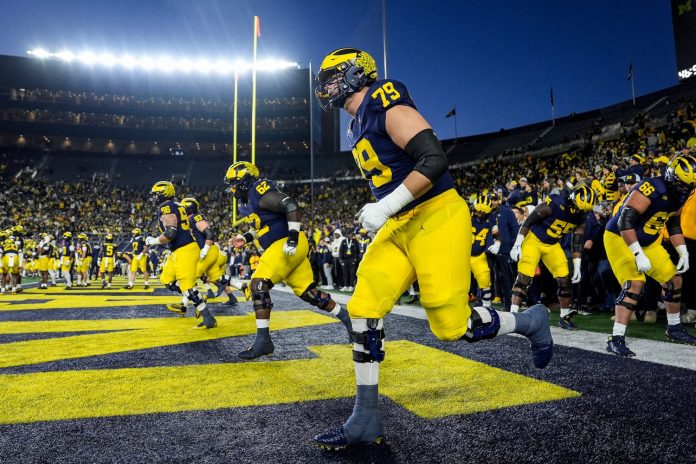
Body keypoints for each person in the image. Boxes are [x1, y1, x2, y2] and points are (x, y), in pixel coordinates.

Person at [312, 48, 553, 450]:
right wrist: (388, 209)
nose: (327, 86)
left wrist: (385, 205)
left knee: (450, 326)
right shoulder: (355, 126)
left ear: (358, 74)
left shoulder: (383, 98)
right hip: (401, 222)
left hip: (436, 214)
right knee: (363, 308)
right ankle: (365, 418)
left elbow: (433, 158)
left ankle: (530, 322)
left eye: (334, 76)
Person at [224, 161, 353, 359]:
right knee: (309, 293)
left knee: (258, 284)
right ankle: (349, 321)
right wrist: (245, 238)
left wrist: (292, 238)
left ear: (244, 180)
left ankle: (263, 341)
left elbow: (289, 204)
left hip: (287, 244)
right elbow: (262, 227)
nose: (231, 189)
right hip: (287, 245)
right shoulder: (249, 200)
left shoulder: (258, 190)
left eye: (233, 183)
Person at [603, 155, 696, 356]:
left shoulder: (680, 194)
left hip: (649, 240)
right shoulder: (652, 187)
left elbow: (672, 223)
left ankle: (674, 328)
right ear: (672, 176)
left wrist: (683, 251)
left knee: (673, 281)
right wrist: (637, 253)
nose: (685, 188)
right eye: (682, 183)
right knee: (634, 284)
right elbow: (624, 222)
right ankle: (615, 339)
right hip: (620, 237)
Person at [509, 185, 597, 330]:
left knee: (564, 279)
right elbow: (529, 221)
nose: (579, 211)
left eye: (583, 210)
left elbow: (577, 240)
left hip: (552, 244)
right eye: (578, 207)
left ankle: (564, 318)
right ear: (572, 200)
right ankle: (513, 314)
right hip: (534, 240)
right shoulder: (556, 203)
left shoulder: (582, 215)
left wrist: (577, 265)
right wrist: (518, 243)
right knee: (524, 277)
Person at [146, 181, 216, 329]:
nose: (153, 197)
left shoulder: (166, 207)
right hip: (178, 250)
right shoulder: (176, 205)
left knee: (187, 287)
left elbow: (171, 233)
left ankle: (208, 318)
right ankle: (196, 294)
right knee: (167, 280)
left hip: (185, 250)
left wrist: (154, 241)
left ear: (164, 194)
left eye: (156, 194)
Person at [179, 197, 238, 306]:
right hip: (215, 253)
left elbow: (209, 234)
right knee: (214, 277)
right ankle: (232, 295)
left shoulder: (196, 218)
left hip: (212, 252)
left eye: (182, 209)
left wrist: (205, 250)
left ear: (188, 209)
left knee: (193, 275)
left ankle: (183, 304)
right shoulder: (190, 220)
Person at [471, 195, 495, 306]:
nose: (479, 212)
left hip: (479, 256)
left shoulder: (491, 219)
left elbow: (497, 234)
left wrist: (497, 242)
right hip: (463, 254)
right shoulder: (467, 214)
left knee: (485, 281)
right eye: (477, 210)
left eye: (482, 211)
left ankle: (487, 308)